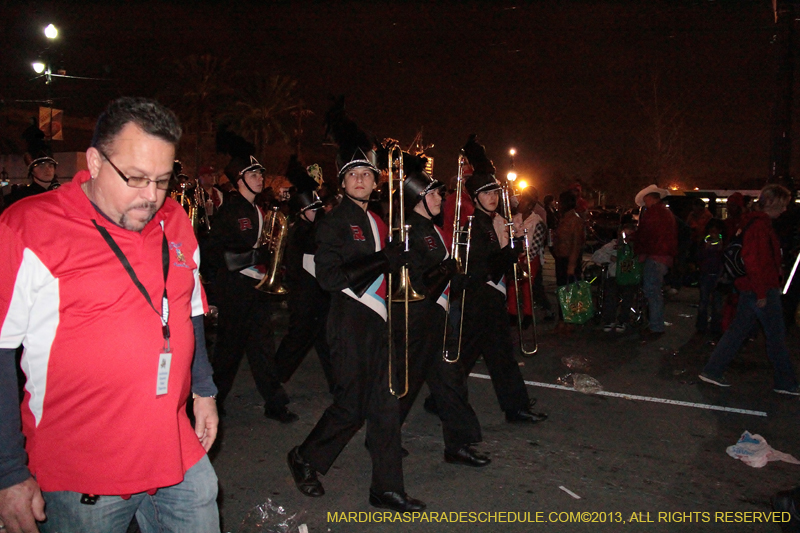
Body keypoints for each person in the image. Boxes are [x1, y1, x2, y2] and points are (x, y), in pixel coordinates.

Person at [0, 97, 219, 533]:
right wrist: (8, 473)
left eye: (162, 180)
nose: (151, 196)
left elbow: (189, 307)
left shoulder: (175, 219)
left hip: (174, 444)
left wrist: (204, 389)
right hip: (82, 471)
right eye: (135, 178)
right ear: (96, 162)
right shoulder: (27, 227)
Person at [287, 138, 425, 512]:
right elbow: (329, 278)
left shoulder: (378, 220)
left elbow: (386, 269)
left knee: (385, 407)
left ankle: (386, 488)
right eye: (353, 175)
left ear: (375, 181)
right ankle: (304, 457)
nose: (361, 179)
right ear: (343, 183)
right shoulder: (333, 222)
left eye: (367, 173)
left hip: (380, 322)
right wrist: (383, 259)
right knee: (350, 407)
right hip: (349, 322)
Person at [394, 170, 488, 467]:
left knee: (449, 381)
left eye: (439, 193)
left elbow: (445, 274)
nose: (440, 199)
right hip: (419, 318)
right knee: (406, 384)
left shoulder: (431, 228)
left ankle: (457, 445)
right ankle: (382, 435)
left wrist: (470, 276)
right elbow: (420, 280)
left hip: (436, 316)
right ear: (418, 198)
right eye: (433, 194)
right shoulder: (410, 229)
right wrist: (450, 271)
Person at [453, 134, 546, 424]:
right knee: (485, 356)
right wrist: (511, 252)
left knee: (496, 356)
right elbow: (482, 269)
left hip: (489, 300)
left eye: (495, 192)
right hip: (479, 300)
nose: (493, 197)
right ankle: (511, 406)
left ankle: (514, 406)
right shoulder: (473, 227)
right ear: (475, 197)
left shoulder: (492, 223)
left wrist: (511, 251)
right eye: (487, 193)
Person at [205, 155, 293, 422]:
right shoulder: (231, 210)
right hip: (235, 290)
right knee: (228, 353)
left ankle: (275, 403)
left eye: (260, 174)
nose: (260, 179)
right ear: (240, 180)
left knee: (262, 348)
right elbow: (216, 254)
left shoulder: (258, 209)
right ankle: (211, 403)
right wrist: (258, 255)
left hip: (255, 288)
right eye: (253, 175)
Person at [699, 184, 799, 395]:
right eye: (783, 205)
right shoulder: (760, 225)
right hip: (760, 287)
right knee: (775, 336)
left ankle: (713, 370)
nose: (784, 210)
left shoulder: (753, 222)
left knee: (739, 331)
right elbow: (754, 260)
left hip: (752, 286)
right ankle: (785, 381)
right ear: (774, 204)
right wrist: (762, 292)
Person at [274, 155, 335, 394]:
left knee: (325, 343)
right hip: (305, 299)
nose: (317, 213)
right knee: (296, 341)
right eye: (313, 209)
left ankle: (338, 384)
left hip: (316, 299)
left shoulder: (312, 230)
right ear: (301, 212)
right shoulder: (301, 234)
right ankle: (274, 378)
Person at [632, 184, 677, 340]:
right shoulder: (666, 213)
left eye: (646, 201)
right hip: (663, 256)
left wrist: (637, 248)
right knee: (655, 291)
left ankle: (656, 326)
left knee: (652, 291)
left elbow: (646, 235)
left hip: (656, 256)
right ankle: (655, 324)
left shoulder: (653, 214)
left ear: (650, 198)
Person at [592, 221, 640, 333]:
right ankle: (609, 320)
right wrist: (610, 258)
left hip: (630, 278)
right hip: (615, 276)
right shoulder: (612, 246)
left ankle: (623, 320)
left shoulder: (636, 247)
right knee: (610, 293)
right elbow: (596, 256)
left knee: (628, 294)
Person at [552, 190, 585, 332]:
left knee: (569, 291)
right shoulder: (564, 218)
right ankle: (562, 320)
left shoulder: (575, 219)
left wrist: (572, 264)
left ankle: (570, 321)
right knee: (561, 290)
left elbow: (576, 243)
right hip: (561, 258)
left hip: (569, 259)